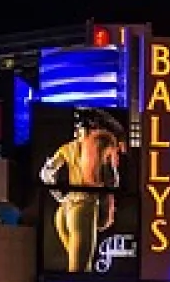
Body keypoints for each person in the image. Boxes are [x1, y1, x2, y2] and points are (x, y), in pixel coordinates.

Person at [40, 108, 126, 272]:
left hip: (63, 212)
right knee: (80, 271)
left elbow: (46, 173)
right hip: (84, 208)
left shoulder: (66, 148)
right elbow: (111, 180)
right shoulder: (102, 143)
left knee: (78, 269)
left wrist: (59, 197)